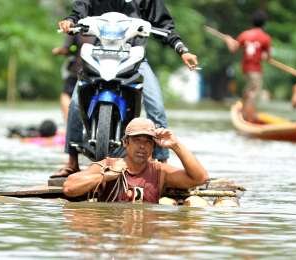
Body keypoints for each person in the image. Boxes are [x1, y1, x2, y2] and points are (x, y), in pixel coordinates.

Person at [55, 0, 199, 177]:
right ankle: (72, 161)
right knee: (76, 102)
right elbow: (79, 11)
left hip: (134, 55)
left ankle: (162, 164)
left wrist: (182, 50)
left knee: (156, 106)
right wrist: (70, 20)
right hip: (99, 53)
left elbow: (164, 25)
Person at [63, 118, 209, 203]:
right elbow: (69, 187)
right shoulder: (108, 165)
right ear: (126, 142)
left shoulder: (159, 171)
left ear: (153, 146)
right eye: (137, 140)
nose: (142, 146)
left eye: (148, 142)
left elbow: (200, 178)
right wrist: (106, 176)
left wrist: (175, 145)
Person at [225, 10, 271, 122]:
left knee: (249, 90)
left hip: (246, 69)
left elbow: (233, 49)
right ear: (264, 23)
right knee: (254, 93)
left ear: (252, 22)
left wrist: (228, 40)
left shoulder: (244, 35)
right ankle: (248, 116)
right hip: (256, 70)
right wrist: (264, 55)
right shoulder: (266, 38)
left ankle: (244, 112)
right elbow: (267, 57)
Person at [52, 34, 84, 122]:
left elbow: (66, 49)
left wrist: (57, 51)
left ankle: (68, 124)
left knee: (66, 94)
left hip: (79, 70)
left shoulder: (80, 25)